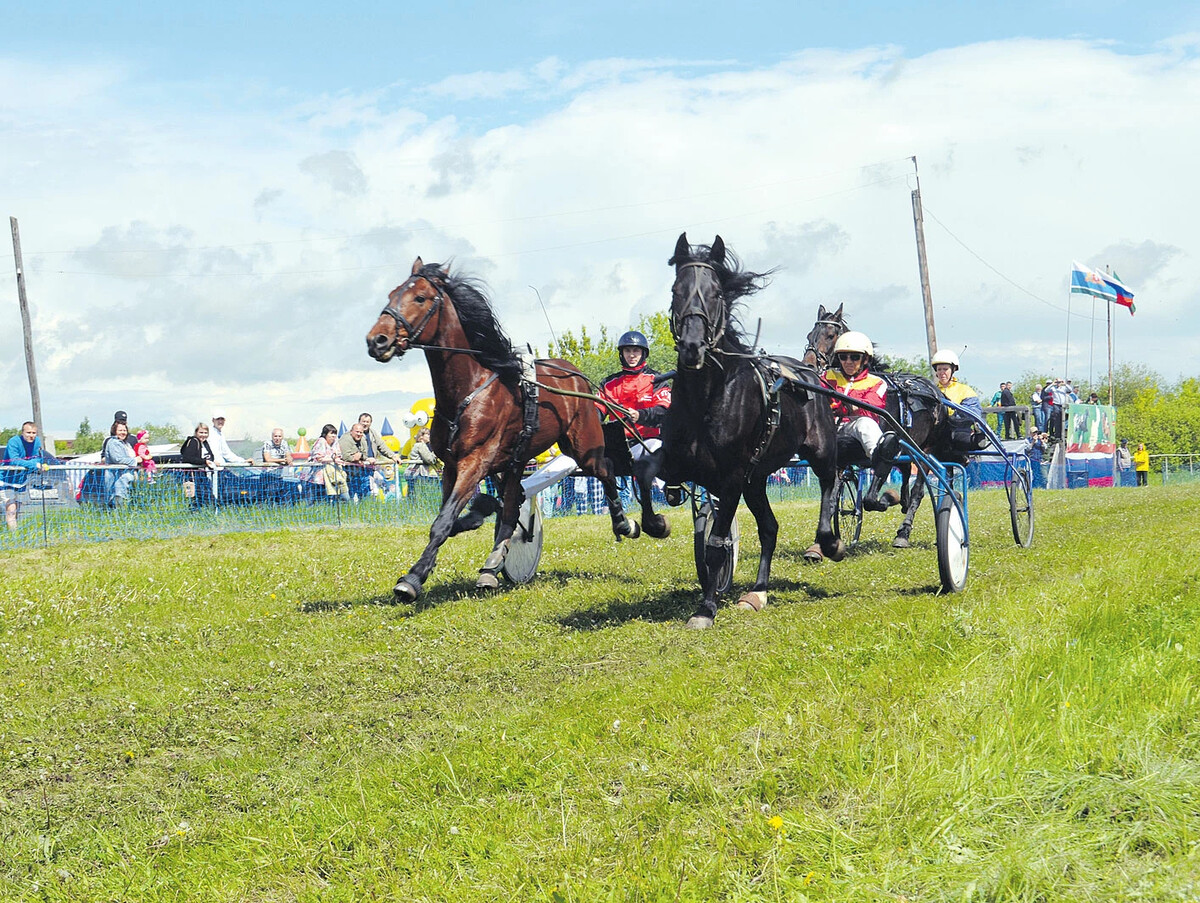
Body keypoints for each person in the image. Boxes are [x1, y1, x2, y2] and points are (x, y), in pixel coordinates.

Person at [521, 329, 671, 500]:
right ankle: (522, 491)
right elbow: (596, 413)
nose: (632, 355)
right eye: (627, 351)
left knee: (657, 449)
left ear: (644, 353)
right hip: (614, 447)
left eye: (636, 350)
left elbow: (664, 411)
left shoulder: (656, 380)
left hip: (644, 444)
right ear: (621, 354)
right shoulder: (609, 383)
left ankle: (667, 488)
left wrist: (640, 415)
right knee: (569, 458)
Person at [823, 331, 899, 512]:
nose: (848, 361)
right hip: (827, 426)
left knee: (865, 423)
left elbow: (870, 408)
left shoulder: (877, 383)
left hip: (854, 427)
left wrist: (839, 404)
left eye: (854, 357)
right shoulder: (827, 376)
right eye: (843, 357)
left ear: (865, 359)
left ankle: (879, 456)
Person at [929, 349, 988, 451]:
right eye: (939, 369)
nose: (942, 373)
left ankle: (978, 439)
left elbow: (973, 413)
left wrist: (950, 416)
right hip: (936, 434)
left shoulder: (965, 391)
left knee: (959, 439)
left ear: (953, 370)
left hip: (957, 431)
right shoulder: (931, 391)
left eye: (945, 369)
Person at [2, 421, 50, 531]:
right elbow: (15, 460)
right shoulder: (13, 442)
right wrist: (35, 465)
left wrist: (36, 464)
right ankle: (14, 536)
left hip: (22, 480)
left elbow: (38, 458)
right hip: (6, 479)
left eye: (34, 433)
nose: (31, 435)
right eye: (28, 432)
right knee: (11, 509)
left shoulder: (37, 441)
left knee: (17, 509)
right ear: (22, 433)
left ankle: (14, 531)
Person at [101, 421, 138, 506]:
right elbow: (117, 459)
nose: (123, 432)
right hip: (116, 479)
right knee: (116, 500)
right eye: (120, 430)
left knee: (124, 499)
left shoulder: (125, 443)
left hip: (124, 479)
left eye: (124, 430)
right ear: (115, 431)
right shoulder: (113, 442)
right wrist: (135, 460)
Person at [310, 423, 349, 501]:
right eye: (331, 433)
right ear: (325, 434)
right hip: (320, 476)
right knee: (321, 499)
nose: (333, 436)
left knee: (342, 496)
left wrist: (337, 459)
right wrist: (333, 459)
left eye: (335, 434)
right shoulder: (321, 441)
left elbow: (338, 455)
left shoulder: (336, 443)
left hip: (333, 473)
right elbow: (319, 458)